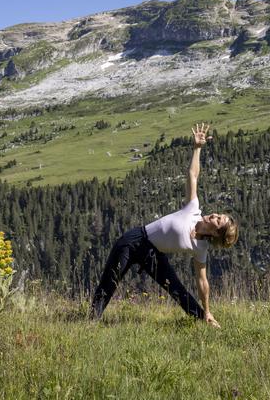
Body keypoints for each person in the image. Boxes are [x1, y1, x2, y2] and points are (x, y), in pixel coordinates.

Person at [90, 123, 238, 327]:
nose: (214, 214)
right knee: (110, 281)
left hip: (153, 254)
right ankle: (90, 323)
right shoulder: (193, 209)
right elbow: (193, 175)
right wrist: (197, 148)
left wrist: (208, 310)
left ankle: (204, 320)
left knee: (177, 289)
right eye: (218, 215)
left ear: (215, 233)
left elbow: (202, 281)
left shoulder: (201, 248)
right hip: (135, 240)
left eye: (217, 219)